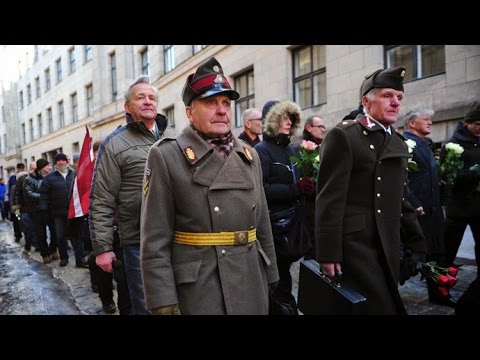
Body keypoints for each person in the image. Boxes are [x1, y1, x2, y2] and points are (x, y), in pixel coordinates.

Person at [140, 56, 279, 315]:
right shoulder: (167, 156)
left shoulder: (249, 154)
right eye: (210, 102)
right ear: (190, 112)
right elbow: (154, 238)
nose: (222, 109)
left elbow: (262, 225)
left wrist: (271, 274)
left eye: (226, 102)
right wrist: (162, 300)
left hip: (250, 279)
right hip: (201, 287)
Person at [314, 66, 426, 314]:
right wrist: (328, 253)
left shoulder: (396, 141)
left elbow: (402, 197)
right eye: (387, 95)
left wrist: (418, 243)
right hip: (355, 246)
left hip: (387, 242)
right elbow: (329, 199)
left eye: (399, 97)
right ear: (366, 101)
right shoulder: (345, 136)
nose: (395, 102)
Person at [90, 75, 176, 315]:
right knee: (149, 306)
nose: (147, 102)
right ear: (127, 107)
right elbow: (101, 198)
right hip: (139, 241)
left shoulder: (175, 137)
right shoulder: (114, 144)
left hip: (180, 238)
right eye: (140, 98)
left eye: (151, 97)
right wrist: (103, 248)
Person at [255, 99, 312, 315]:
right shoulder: (262, 150)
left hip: (293, 223)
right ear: (271, 121)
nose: (288, 122)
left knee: (285, 273)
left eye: (291, 118)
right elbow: (262, 188)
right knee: (278, 278)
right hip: (275, 225)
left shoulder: (292, 149)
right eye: (283, 117)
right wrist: (295, 189)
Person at [403, 107, 455, 307]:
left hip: (433, 211)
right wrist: (414, 203)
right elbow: (402, 179)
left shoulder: (426, 143)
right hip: (416, 212)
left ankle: (440, 293)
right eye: (425, 119)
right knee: (412, 256)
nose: (430, 122)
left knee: (437, 254)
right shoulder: (406, 144)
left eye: (431, 119)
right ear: (411, 123)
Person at [441, 101, 480, 276]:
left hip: (478, 206)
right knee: (448, 250)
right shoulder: (453, 145)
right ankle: (440, 286)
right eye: (478, 124)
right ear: (467, 123)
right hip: (459, 207)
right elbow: (450, 178)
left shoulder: (477, 142)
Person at [39, 153, 86, 268]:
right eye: (58, 160)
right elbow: (44, 196)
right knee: (60, 237)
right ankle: (64, 258)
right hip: (58, 213)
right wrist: (44, 209)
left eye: (63, 160)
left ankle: (80, 260)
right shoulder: (49, 178)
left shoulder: (75, 175)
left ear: (67, 162)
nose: (61, 162)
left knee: (77, 237)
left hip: (74, 212)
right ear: (55, 163)